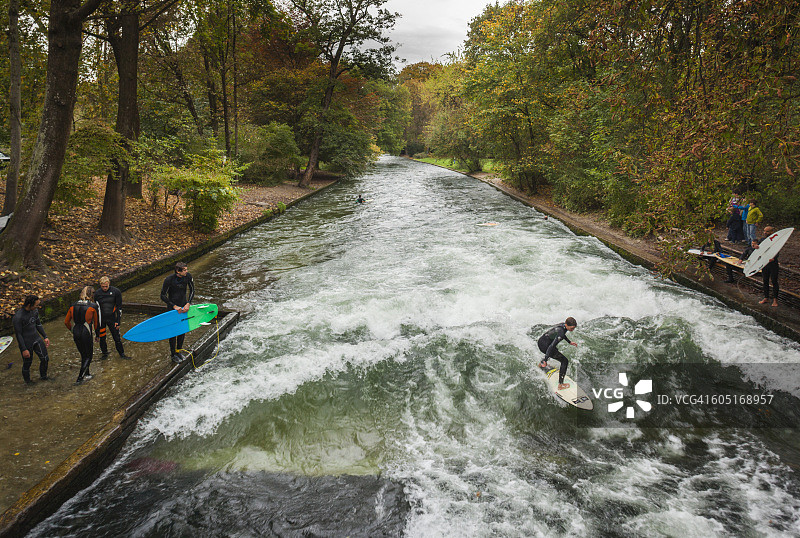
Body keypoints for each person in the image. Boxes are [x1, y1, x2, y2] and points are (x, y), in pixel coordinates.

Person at [64, 286, 101, 384]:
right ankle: (80, 378)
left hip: (76, 331)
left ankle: (87, 374)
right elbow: (96, 323)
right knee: (89, 356)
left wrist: (72, 330)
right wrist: (98, 335)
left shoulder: (73, 305)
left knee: (83, 354)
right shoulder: (93, 306)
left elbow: (66, 322)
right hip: (86, 332)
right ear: (91, 294)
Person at [12, 295, 51, 385]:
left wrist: (45, 336)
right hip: (26, 342)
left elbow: (38, 324)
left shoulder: (35, 311)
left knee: (45, 359)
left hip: (36, 338)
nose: (38, 307)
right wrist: (23, 349)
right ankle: (28, 383)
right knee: (27, 363)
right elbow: (18, 334)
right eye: (36, 305)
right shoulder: (18, 317)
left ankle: (43, 377)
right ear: (29, 305)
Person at [161, 261, 194, 363]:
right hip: (173, 308)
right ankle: (173, 354)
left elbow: (192, 290)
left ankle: (179, 350)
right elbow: (162, 295)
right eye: (184, 270)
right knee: (173, 332)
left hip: (184, 307)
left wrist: (188, 303)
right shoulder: (169, 279)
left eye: (186, 269)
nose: (186, 271)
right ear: (177, 271)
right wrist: (174, 306)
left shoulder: (188, 276)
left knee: (182, 330)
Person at [93, 276, 131, 360]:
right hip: (102, 320)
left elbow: (119, 307)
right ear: (100, 285)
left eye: (106, 286)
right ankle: (104, 354)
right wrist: (96, 325)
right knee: (102, 338)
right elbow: (95, 309)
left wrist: (118, 321)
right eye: (103, 287)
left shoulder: (116, 292)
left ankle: (122, 354)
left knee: (116, 338)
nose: (105, 288)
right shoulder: (97, 294)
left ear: (109, 284)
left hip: (112, 319)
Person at [538, 317, 578, 391]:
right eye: (572, 328)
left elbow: (562, 334)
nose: (573, 330)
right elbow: (551, 347)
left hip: (542, 341)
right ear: (567, 325)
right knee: (565, 361)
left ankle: (540, 365)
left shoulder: (562, 325)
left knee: (555, 351)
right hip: (545, 346)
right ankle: (561, 385)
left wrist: (569, 342)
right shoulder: (561, 332)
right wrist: (545, 360)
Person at [758, 226, 780, 308]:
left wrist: (774, 258)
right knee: (765, 280)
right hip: (765, 263)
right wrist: (756, 247)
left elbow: (777, 251)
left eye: (767, 231)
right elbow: (758, 250)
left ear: (771, 232)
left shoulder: (776, 240)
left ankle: (775, 299)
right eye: (764, 231)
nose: (765, 232)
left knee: (774, 281)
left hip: (773, 264)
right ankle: (766, 297)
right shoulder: (762, 240)